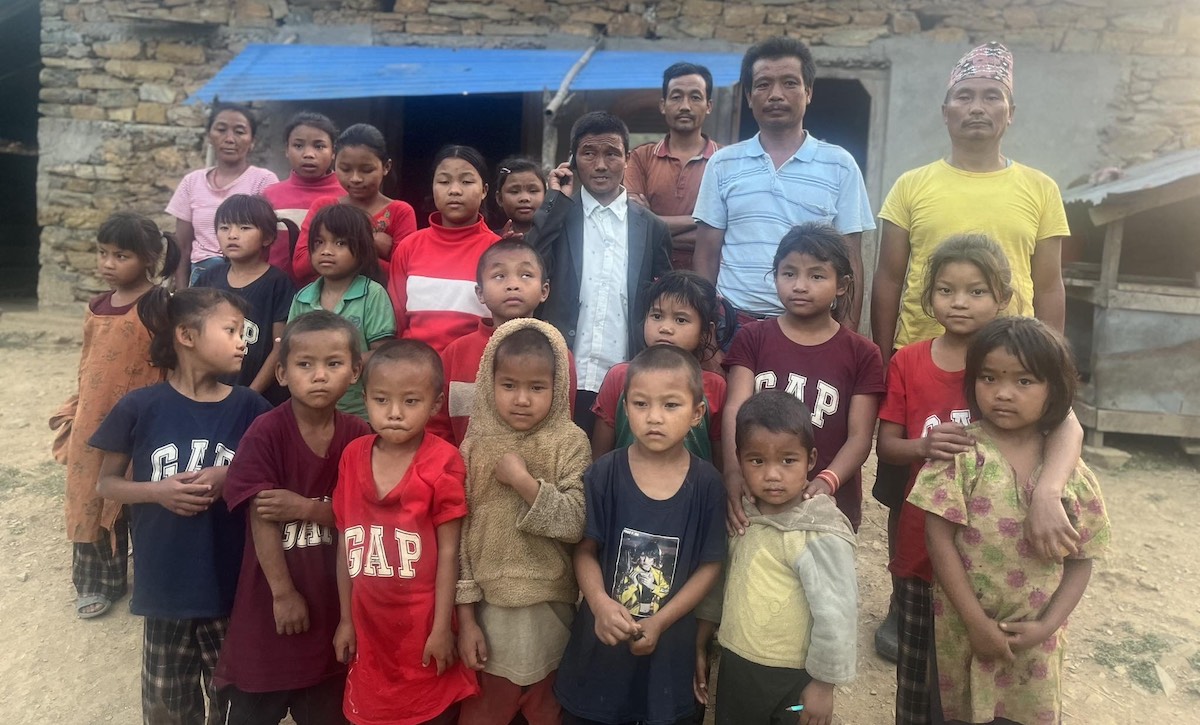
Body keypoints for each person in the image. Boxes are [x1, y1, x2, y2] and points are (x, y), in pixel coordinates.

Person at [869, 42, 1076, 664]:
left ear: (1011, 111)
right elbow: (888, 277)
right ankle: (905, 596)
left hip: (1004, 370)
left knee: (995, 484)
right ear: (945, 110)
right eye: (965, 96)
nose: (977, 107)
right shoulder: (912, 186)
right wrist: (882, 357)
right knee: (910, 489)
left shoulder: (1038, 188)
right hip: (922, 360)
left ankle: (992, 593)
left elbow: (1050, 285)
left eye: (992, 97)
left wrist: (1052, 368)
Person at [907, 317, 1110, 725]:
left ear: (1055, 389)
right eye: (989, 378)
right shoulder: (962, 456)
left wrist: (1047, 626)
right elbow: (938, 540)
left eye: (1024, 381)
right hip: (962, 633)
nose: (1002, 393)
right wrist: (976, 623)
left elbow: (1082, 558)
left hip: (1036, 646)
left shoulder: (1070, 473)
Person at [90, 287, 273, 724]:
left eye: (244, 333)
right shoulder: (140, 407)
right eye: (231, 330)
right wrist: (158, 491)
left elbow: (276, 470)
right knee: (168, 707)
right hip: (165, 587)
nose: (243, 342)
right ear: (186, 336)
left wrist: (230, 475)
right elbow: (106, 484)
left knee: (234, 704)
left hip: (229, 586)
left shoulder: (250, 407)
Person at [875, 234, 1013, 723]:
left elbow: (1061, 424)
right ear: (929, 296)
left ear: (1003, 298)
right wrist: (924, 446)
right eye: (946, 290)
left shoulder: (1012, 365)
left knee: (982, 680)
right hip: (921, 545)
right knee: (917, 679)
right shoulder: (908, 361)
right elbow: (887, 446)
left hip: (991, 551)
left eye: (977, 291)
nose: (959, 302)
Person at [554, 345, 725, 725]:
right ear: (625, 408)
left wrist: (661, 621)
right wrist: (600, 604)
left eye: (671, 405)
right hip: (601, 649)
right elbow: (585, 550)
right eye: (641, 404)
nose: (654, 417)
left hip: (669, 655)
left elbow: (710, 565)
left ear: (697, 413)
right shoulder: (604, 474)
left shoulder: (708, 485)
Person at [214, 312, 371, 725]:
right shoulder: (267, 431)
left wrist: (307, 509)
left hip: (332, 604)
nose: (319, 376)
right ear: (282, 373)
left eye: (333, 363)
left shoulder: (359, 436)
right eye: (305, 364)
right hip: (270, 601)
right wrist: (283, 594)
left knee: (328, 707)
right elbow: (263, 515)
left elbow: (365, 517)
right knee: (252, 706)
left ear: (355, 371)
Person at [332, 341, 479, 724]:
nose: (394, 413)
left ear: (435, 403)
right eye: (381, 400)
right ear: (364, 398)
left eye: (411, 401)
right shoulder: (352, 457)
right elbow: (346, 543)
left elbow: (449, 553)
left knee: (427, 712)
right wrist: (346, 619)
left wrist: (442, 629)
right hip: (369, 627)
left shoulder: (443, 461)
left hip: (423, 627)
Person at [455, 319, 591, 725]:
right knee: (484, 711)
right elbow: (460, 536)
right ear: (488, 383)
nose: (521, 399)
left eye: (537, 387)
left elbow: (576, 522)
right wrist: (465, 618)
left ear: (558, 387)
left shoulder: (570, 442)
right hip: (488, 610)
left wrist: (524, 483)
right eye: (509, 385)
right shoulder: (474, 447)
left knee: (547, 709)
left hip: (549, 608)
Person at [695, 391, 857, 725]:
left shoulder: (819, 530)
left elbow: (837, 615)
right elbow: (719, 579)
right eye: (757, 461)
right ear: (739, 460)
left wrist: (823, 684)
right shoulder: (740, 515)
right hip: (737, 664)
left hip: (794, 676)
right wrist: (701, 640)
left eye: (788, 460)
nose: (772, 474)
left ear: (811, 459)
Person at [693, 37, 873, 328]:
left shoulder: (841, 165)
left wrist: (845, 336)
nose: (775, 95)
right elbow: (706, 256)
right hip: (732, 326)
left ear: (808, 92)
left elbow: (851, 259)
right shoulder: (722, 164)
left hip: (812, 327)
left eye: (789, 83)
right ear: (749, 96)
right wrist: (707, 329)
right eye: (763, 85)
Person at [722, 223, 884, 534]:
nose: (800, 285)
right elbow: (734, 409)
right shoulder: (753, 338)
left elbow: (860, 437)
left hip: (824, 505)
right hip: (756, 498)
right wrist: (732, 471)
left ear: (842, 285)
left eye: (816, 276)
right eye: (789, 273)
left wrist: (828, 481)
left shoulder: (862, 353)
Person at [58, 211, 179, 620]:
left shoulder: (159, 305)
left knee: (140, 496)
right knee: (89, 495)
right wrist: (77, 407)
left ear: (148, 258)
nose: (108, 263)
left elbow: (172, 363)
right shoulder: (96, 307)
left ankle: (153, 579)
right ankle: (97, 581)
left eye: (121, 255)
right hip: (94, 420)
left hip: (144, 420)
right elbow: (86, 362)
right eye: (103, 253)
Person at [527, 111, 673, 432]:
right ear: (573, 160)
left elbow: (662, 301)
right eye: (589, 154)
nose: (601, 165)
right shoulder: (560, 216)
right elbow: (529, 265)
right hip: (562, 373)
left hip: (625, 376)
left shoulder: (652, 228)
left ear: (628, 158)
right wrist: (554, 200)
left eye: (612, 154)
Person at [432, 239, 578, 445]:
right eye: (499, 276)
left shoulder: (557, 352)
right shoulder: (456, 352)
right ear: (480, 293)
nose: (513, 285)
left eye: (526, 275)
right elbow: (437, 426)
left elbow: (562, 424)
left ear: (544, 291)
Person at [591, 270, 727, 464]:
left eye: (680, 320)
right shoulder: (620, 377)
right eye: (657, 316)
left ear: (705, 332)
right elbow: (599, 458)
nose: (665, 328)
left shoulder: (715, 386)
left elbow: (720, 464)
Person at [387, 145, 500, 353]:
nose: (454, 190)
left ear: (484, 190)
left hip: (473, 365)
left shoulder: (497, 251)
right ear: (433, 187)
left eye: (466, 181)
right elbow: (396, 320)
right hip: (414, 364)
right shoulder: (409, 247)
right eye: (444, 181)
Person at [288, 204, 395, 420]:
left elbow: (383, 353)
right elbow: (290, 350)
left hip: (359, 413)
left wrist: (338, 366)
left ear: (362, 249)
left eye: (340, 243)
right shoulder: (302, 297)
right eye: (319, 242)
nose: (326, 251)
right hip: (308, 411)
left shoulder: (372, 294)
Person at [194, 194, 295, 405]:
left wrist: (250, 395)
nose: (232, 235)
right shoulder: (209, 278)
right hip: (207, 394)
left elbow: (280, 347)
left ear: (267, 237)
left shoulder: (277, 283)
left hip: (259, 399)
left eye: (244, 228)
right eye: (224, 228)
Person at [167, 103, 279, 287]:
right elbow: (182, 246)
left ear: (252, 140)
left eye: (239, 131)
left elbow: (272, 239)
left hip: (248, 277)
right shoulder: (191, 182)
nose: (229, 139)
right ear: (209, 136)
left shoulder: (264, 181)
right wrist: (182, 291)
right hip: (200, 277)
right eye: (221, 130)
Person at [292, 123, 417, 285]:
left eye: (366, 170)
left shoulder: (400, 212)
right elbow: (300, 266)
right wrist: (367, 243)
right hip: (327, 298)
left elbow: (402, 274)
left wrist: (332, 250)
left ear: (386, 167)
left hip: (376, 299)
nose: (355, 178)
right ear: (335, 164)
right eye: (345, 169)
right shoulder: (325, 207)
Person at [625, 62, 721, 271]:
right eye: (676, 97)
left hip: (707, 279)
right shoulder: (641, 157)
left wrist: (654, 223)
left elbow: (730, 232)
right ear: (663, 105)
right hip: (650, 274)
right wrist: (706, 221)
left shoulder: (727, 160)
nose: (685, 106)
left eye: (695, 97)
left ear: (709, 106)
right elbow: (634, 224)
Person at [262, 112, 344, 280]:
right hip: (277, 288)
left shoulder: (346, 196)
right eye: (298, 146)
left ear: (333, 152)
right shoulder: (270, 195)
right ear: (286, 150)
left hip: (331, 289)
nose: (308, 154)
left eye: (319, 146)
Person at [493, 157, 547, 240]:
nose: (525, 198)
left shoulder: (559, 239)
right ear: (499, 198)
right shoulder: (491, 241)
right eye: (514, 191)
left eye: (533, 191)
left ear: (545, 196)